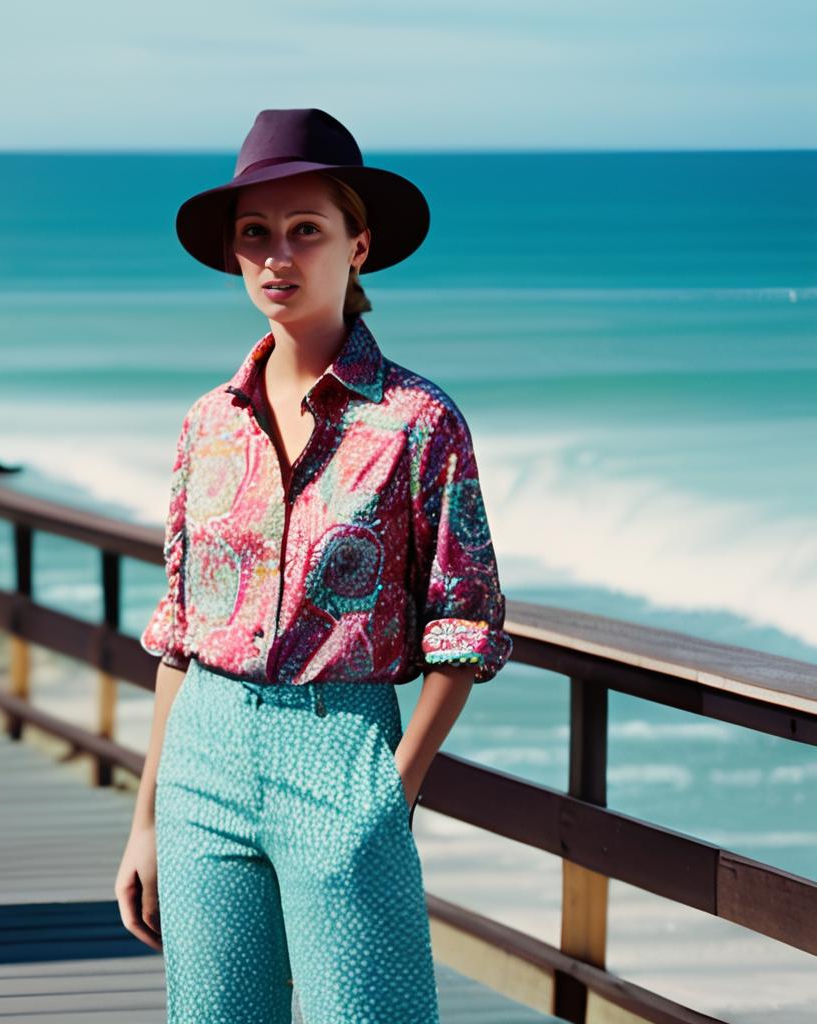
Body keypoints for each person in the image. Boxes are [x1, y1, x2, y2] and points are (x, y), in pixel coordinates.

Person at [114, 108, 513, 1024]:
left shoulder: (418, 422)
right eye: (256, 234)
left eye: (306, 230)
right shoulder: (207, 424)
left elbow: (465, 624)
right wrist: (145, 819)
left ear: (357, 246)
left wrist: (392, 792)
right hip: (202, 758)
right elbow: (181, 635)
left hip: (343, 756)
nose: (277, 258)